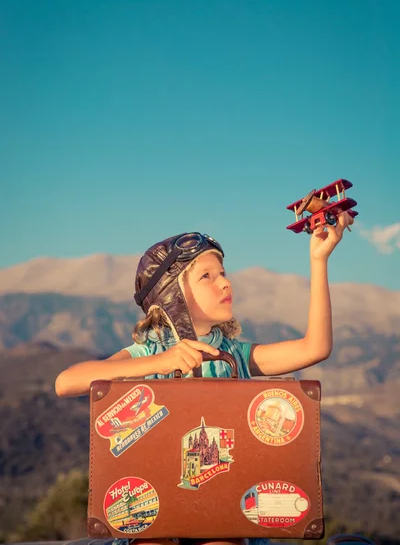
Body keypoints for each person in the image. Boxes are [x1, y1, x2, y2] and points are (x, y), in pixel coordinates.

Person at [55, 212, 353, 545]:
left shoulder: (235, 354)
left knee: (222, 539)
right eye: (207, 276)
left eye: (223, 273)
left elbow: (315, 348)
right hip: (152, 511)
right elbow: (67, 382)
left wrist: (319, 260)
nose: (225, 283)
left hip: (225, 509)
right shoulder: (147, 355)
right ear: (172, 295)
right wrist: (160, 360)